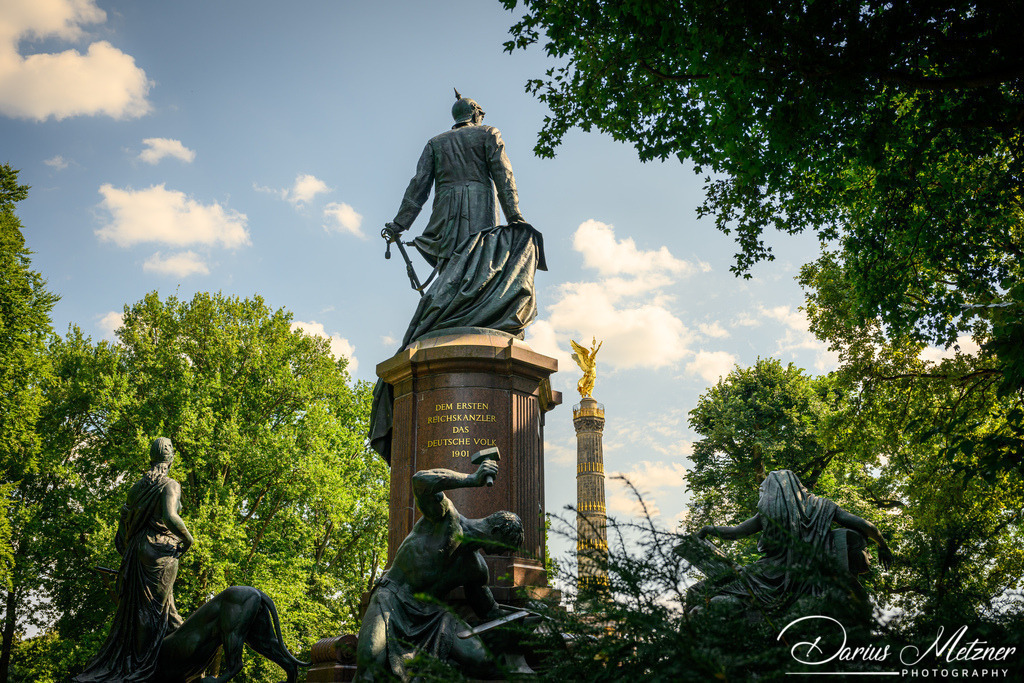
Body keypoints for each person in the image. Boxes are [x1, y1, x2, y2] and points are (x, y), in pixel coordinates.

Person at [369, 91, 547, 463]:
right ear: (476, 114)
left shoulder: (435, 142)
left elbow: (418, 188)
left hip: (445, 213)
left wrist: (399, 224)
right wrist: (515, 217)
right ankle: (470, 311)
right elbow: (503, 177)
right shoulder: (488, 134)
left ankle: (450, 316)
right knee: (476, 269)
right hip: (479, 205)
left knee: (453, 272)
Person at [355, 460, 524, 681]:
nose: (504, 553)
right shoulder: (446, 518)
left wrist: (526, 617)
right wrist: (472, 479)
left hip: (433, 615)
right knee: (370, 665)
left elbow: (489, 610)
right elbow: (420, 480)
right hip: (392, 600)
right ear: (495, 531)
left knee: (481, 659)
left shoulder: (476, 568)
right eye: (506, 546)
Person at [686, 469, 894, 612]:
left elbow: (735, 532)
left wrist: (707, 529)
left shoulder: (768, 514)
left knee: (698, 591)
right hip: (803, 580)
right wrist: (882, 545)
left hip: (764, 575)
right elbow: (864, 525)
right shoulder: (823, 506)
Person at [75, 437, 194, 682]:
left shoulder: (136, 489)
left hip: (137, 551)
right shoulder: (170, 485)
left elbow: (124, 532)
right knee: (153, 610)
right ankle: (143, 666)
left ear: (152, 458)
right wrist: (188, 538)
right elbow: (170, 517)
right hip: (160, 552)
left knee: (152, 609)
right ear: (170, 459)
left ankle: (147, 662)